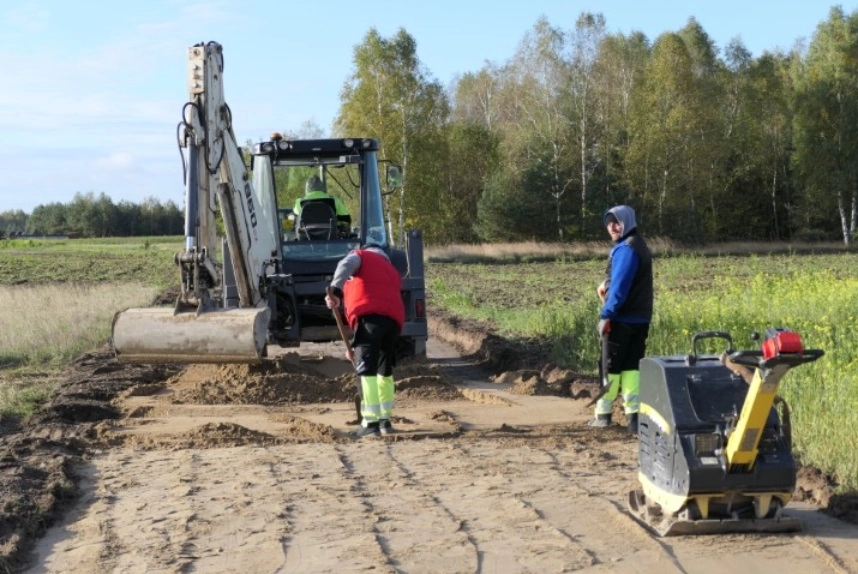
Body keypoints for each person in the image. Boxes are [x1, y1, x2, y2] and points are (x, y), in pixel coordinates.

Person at [325, 244, 404, 439]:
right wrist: (355, 347)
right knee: (383, 370)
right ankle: (385, 420)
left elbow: (345, 264)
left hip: (370, 319)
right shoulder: (391, 270)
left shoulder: (361, 256)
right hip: (393, 323)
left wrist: (335, 291)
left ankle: (370, 423)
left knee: (366, 371)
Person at [590, 205, 653, 434]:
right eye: (608, 222)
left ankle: (603, 415)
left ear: (627, 222)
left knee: (610, 367)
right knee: (631, 369)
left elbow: (619, 287)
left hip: (621, 319)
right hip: (640, 319)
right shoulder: (640, 245)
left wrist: (607, 314)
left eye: (616, 222)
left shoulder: (626, 249)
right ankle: (633, 419)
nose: (612, 227)